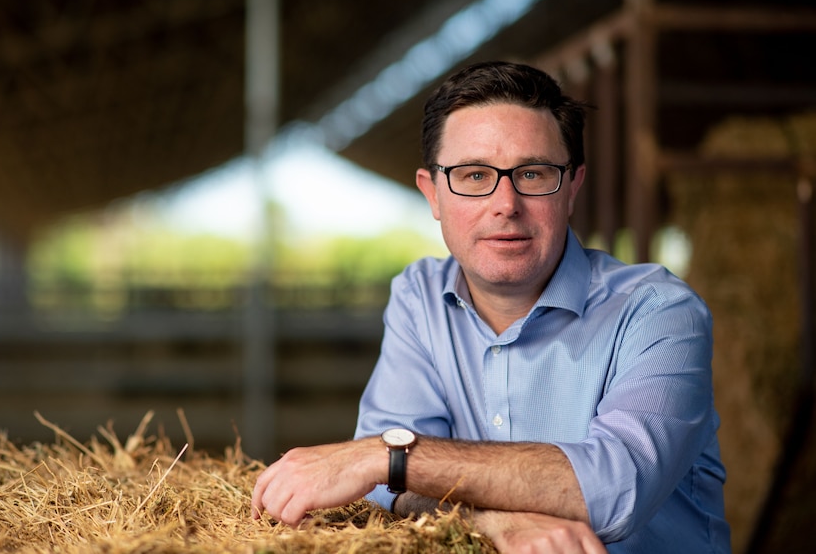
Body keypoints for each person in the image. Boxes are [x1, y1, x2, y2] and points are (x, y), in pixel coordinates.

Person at [251, 61, 730, 553]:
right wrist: (494, 523)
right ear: (432, 193)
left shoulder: (657, 312)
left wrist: (384, 454)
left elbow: (614, 491)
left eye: (533, 173)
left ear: (572, 187)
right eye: (474, 174)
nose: (505, 202)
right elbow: (387, 490)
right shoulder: (420, 297)